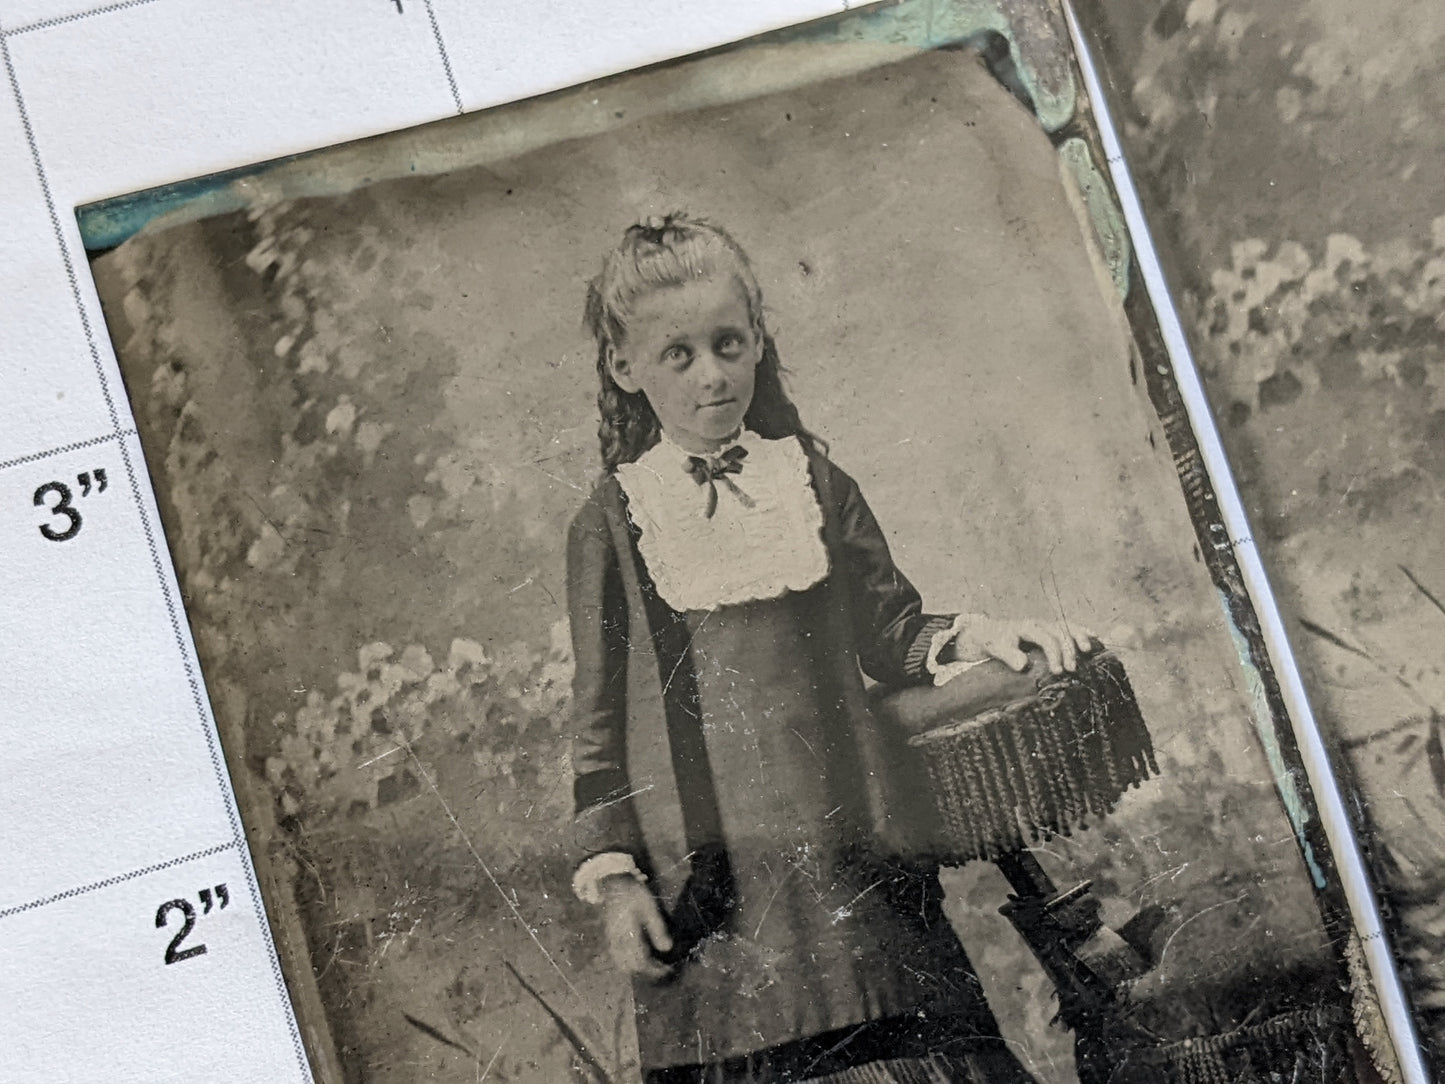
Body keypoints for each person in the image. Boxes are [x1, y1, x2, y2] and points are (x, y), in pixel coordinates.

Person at [565, 213, 1091, 1083]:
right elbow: (594, 725)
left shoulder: (810, 482)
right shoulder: (611, 522)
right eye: (679, 355)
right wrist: (619, 884)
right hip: (716, 889)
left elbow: (891, 631)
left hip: (854, 859)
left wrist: (990, 636)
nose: (712, 376)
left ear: (759, 339)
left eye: (729, 344)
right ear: (626, 368)